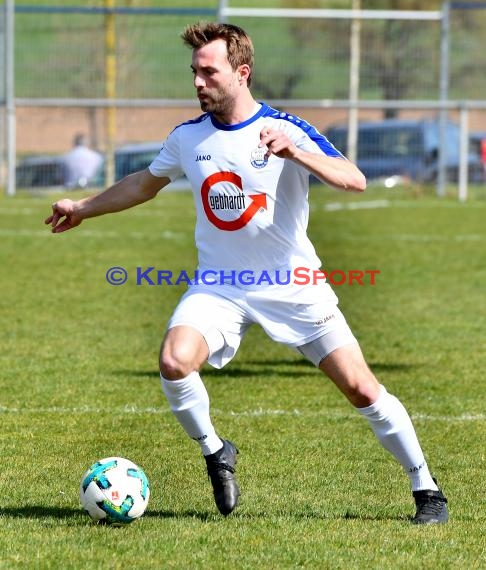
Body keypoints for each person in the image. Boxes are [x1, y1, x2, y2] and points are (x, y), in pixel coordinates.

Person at [45, 22, 448, 524]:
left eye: (208, 72)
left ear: (242, 72)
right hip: (220, 286)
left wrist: (295, 151)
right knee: (174, 361)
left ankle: (426, 488)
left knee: (362, 390)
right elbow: (142, 185)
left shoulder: (285, 127)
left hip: (294, 287)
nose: (198, 82)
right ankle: (216, 452)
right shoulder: (188, 137)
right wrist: (83, 206)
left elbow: (355, 179)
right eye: (194, 72)